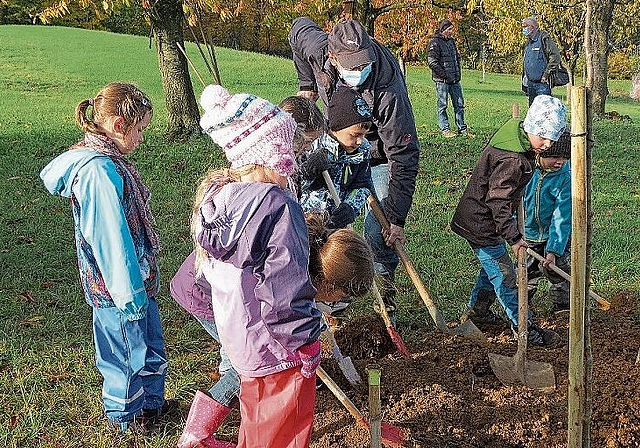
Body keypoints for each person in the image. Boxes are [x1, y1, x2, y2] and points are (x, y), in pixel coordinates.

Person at [190, 84, 325, 448]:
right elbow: (285, 288)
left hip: (243, 342)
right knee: (282, 433)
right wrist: (306, 342)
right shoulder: (277, 206)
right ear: (271, 155)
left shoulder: (220, 197)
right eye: (286, 153)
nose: (292, 164)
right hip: (278, 349)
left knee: (258, 421)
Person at [39, 83, 176, 434]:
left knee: (148, 344)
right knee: (126, 356)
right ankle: (125, 418)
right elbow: (110, 239)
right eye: (140, 129)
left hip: (137, 280)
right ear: (118, 125)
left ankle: (150, 404)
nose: (143, 138)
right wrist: (127, 294)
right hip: (119, 290)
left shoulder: (110, 162)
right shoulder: (98, 172)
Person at [171, 214, 374, 447]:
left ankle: (235, 409)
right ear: (328, 283)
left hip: (227, 288)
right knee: (249, 366)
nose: (338, 303)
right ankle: (195, 435)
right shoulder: (286, 272)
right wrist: (306, 344)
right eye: (342, 297)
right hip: (206, 293)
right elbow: (276, 317)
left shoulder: (304, 255)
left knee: (244, 360)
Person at [289, 17, 420, 323]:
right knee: (327, 233)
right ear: (331, 57)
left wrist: (396, 218)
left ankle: (383, 306)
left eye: (363, 64)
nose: (358, 72)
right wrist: (307, 85)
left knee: (381, 234)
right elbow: (298, 28)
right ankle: (331, 301)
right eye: (350, 65)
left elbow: (404, 153)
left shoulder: (388, 89)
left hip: (380, 150)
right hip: (333, 140)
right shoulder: (317, 48)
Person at [452, 94, 567, 347]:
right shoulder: (513, 159)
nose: (548, 144)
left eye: (553, 138)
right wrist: (514, 238)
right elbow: (497, 201)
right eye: (543, 136)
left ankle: (478, 312)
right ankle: (525, 328)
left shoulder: (514, 137)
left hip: (484, 220)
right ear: (531, 128)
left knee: (492, 269)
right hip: (482, 223)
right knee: (506, 276)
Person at [297, 86, 374, 323]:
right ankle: (309, 314)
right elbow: (293, 183)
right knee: (314, 269)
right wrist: (309, 170)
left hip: (336, 220)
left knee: (340, 270)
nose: (360, 141)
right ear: (335, 127)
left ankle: (334, 314)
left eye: (364, 135)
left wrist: (350, 208)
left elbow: (363, 185)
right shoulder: (312, 145)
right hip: (308, 222)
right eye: (354, 135)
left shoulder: (362, 151)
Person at [523, 131, 572, 313]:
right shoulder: (526, 169)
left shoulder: (565, 177)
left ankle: (563, 308)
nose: (560, 161)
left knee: (557, 270)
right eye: (554, 156)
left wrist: (553, 250)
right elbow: (515, 203)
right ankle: (523, 307)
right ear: (541, 153)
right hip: (528, 234)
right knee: (526, 272)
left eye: (565, 157)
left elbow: (562, 216)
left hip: (556, 235)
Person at [427, 19, 474, 138]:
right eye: (449, 29)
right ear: (443, 30)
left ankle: (462, 129)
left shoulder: (451, 42)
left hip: (455, 80)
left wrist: (458, 74)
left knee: (459, 105)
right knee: (442, 105)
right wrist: (444, 75)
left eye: (452, 29)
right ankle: (445, 129)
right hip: (442, 81)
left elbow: (457, 58)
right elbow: (432, 62)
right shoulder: (434, 43)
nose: (452, 31)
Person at [522, 16, 562, 106]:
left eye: (525, 26)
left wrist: (546, 74)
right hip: (530, 83)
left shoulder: (544, 39)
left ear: (532, 27)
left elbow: (555, 57)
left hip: (542, 84)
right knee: (533, 111)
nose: (523, 29)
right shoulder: (528, 42)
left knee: (545, 110)